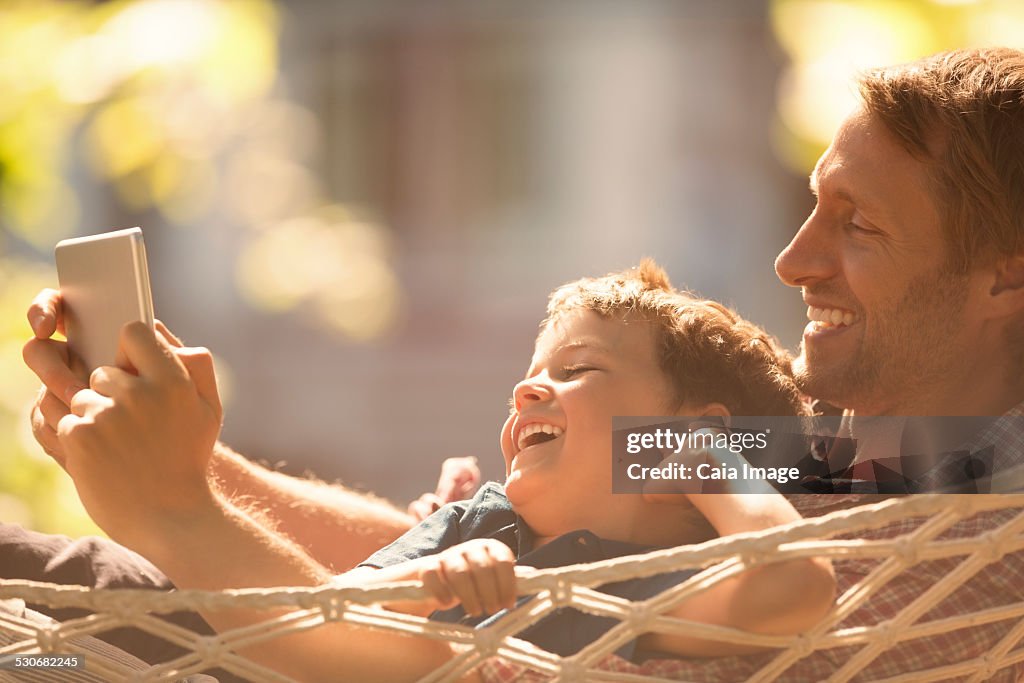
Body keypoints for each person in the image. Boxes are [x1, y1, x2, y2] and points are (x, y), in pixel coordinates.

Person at [11, 44, 1024, 680]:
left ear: (1002, 279)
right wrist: (174, 457)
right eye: (811, 205)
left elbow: (507, 662)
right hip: (227, 625)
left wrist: (179, 511)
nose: (792, 258)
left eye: (860, 227)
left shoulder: (979, 570)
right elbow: (516, 524)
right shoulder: (813, 447)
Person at [23, 260, 834, 681]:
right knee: (29, 636)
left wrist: (708, 460)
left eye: (579, 370)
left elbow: (792, 586)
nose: (527, 386)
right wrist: (429, 583)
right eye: (532, 370)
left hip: (169, 656)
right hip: (156, 640)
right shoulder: (485, 523)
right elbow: (324, 604)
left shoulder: (637, 599)